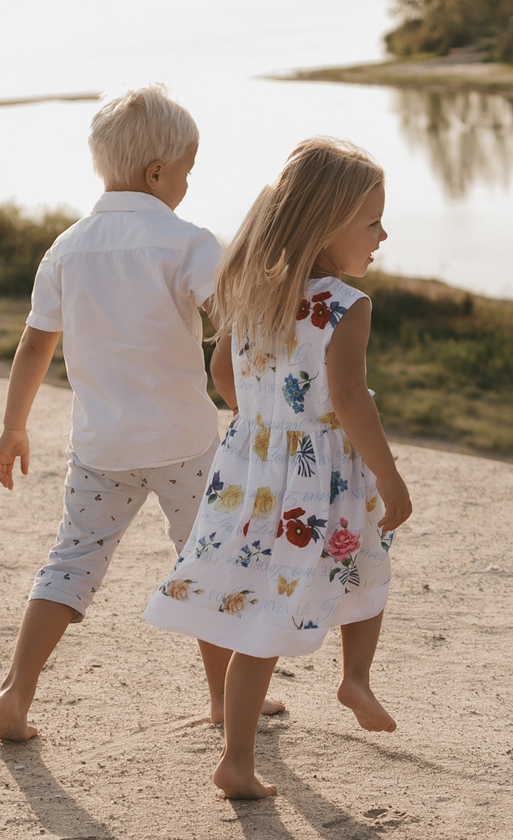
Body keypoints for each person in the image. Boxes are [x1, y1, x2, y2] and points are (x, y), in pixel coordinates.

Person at [0, 85, 279, 740]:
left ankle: (15, 692)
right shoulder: (188, 242)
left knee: (70, 563)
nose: (186, 183)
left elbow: (36, 342)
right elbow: (231, 321)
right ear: (158, 172)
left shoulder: (67, 247)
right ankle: (223, 700)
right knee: (205, 560)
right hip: (184, 440)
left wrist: (14, 425)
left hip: (101, 446)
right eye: (186, 172)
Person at [143, 137, 414, 799]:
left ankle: (237, 759)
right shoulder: (346, 307)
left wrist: (263, 420)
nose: (383, 233)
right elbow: (349, 400)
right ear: (328, 223)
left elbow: (219, 372)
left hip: (253, 470)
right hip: (327, 477)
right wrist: (389, 474)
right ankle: (355, 676)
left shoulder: (249, 289)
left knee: (259, 616)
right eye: (372, 221)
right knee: (366, 565)